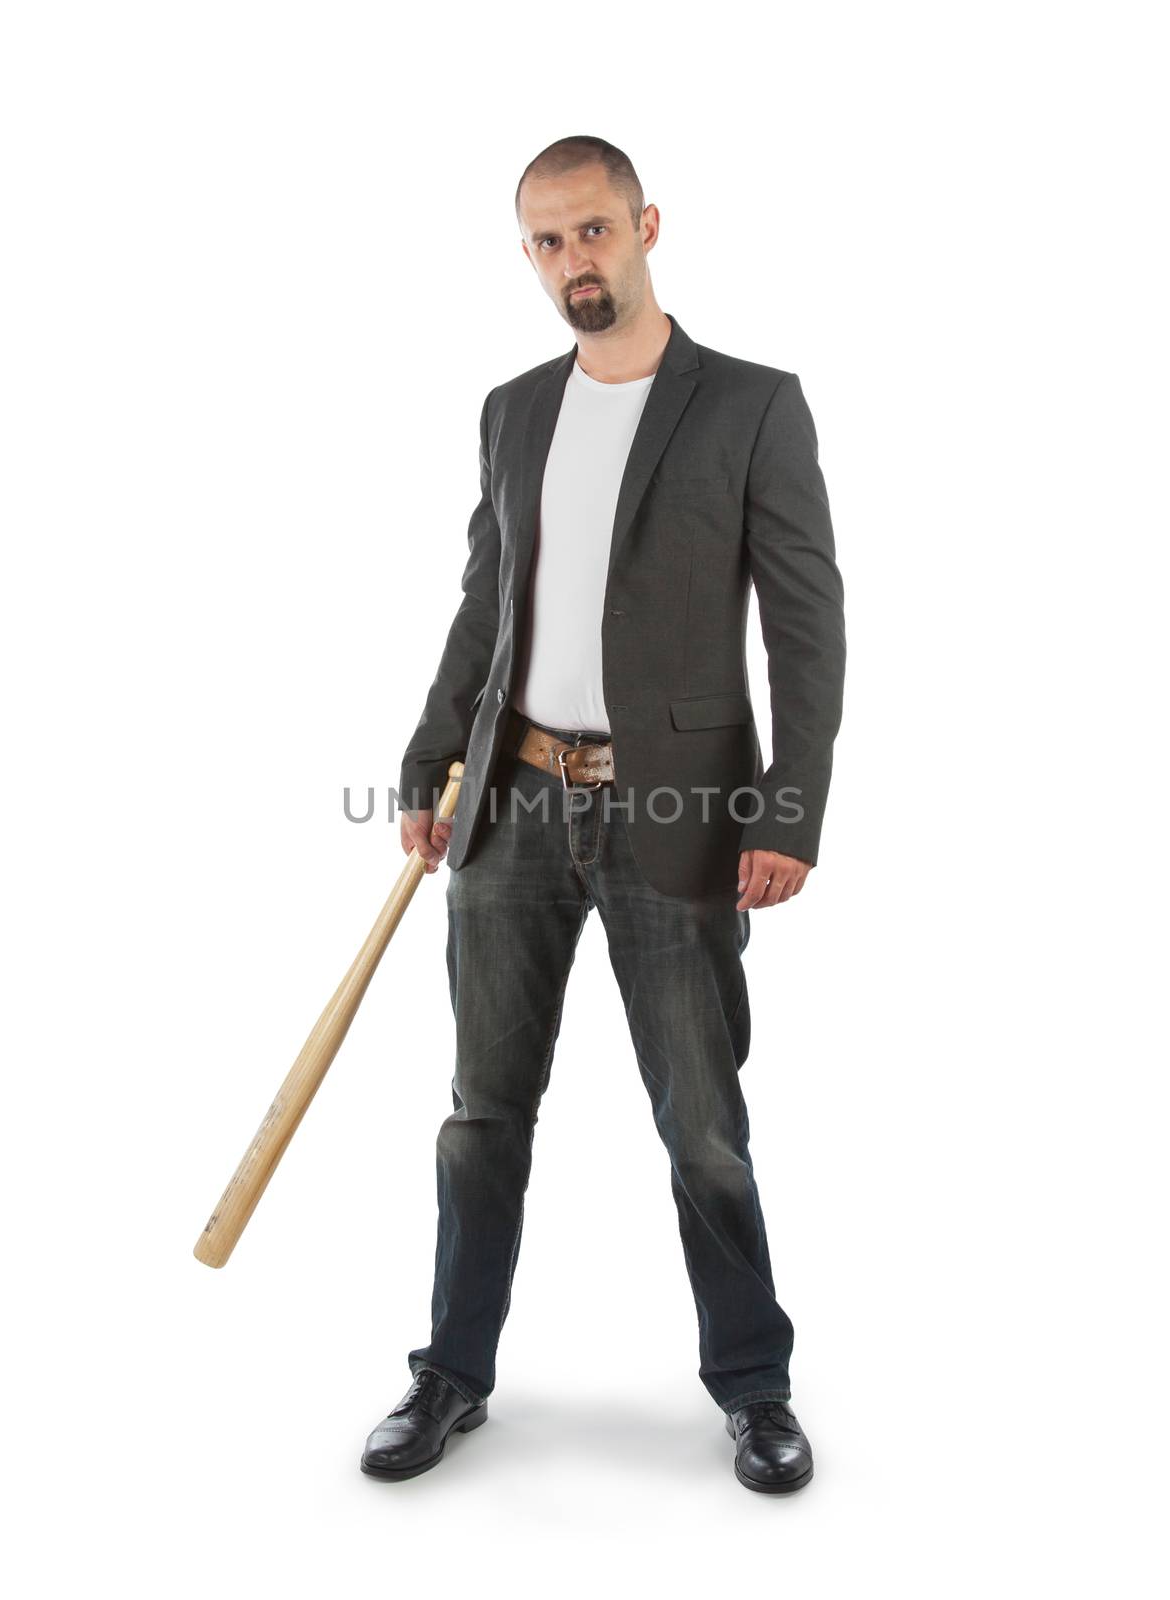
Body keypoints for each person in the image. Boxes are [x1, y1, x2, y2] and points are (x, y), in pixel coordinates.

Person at [360, 135, 845, 1493]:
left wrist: (788, 810)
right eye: (547, 241)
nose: (575, 260)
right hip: (508, 802)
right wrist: (426, 763)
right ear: (530, 256)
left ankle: (753, 1385)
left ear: (644, 226)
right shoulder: (514, 410)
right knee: (481, 1109)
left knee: (701, 1119)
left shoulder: (752, 405)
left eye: (594, 232)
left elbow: (809, 627)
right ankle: (450, 1375)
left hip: (677, 814)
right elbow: (486, 602)